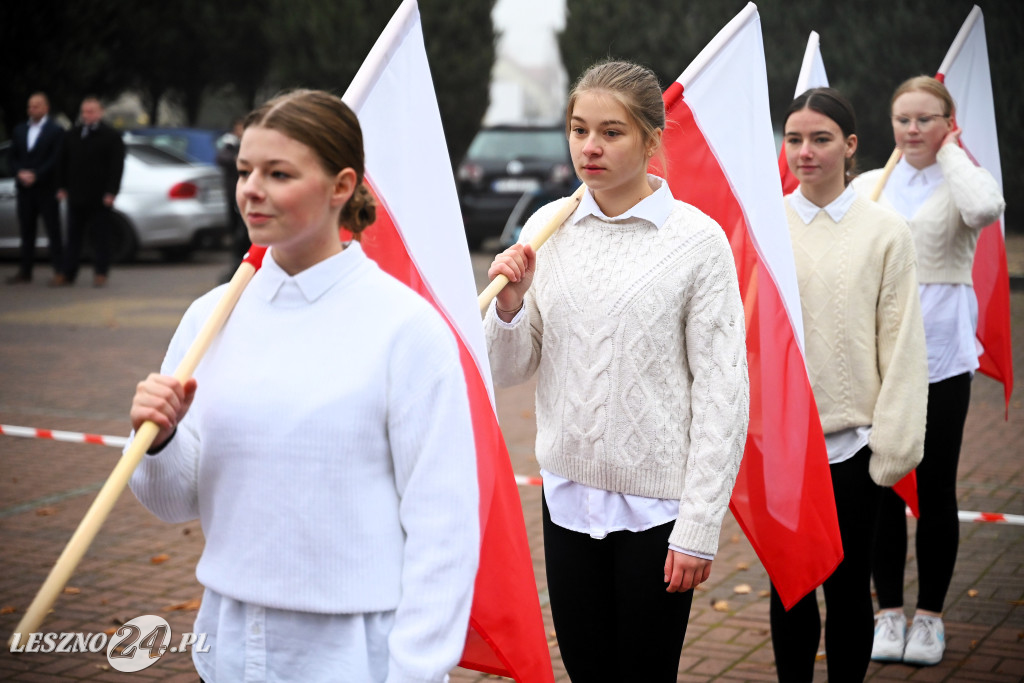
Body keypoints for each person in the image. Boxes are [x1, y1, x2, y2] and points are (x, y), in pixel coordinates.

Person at [127, 90, 479, 682]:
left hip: (357, 647)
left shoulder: (406, 328)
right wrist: (157, 441)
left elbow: (444, 525)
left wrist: (416, 670)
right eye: (244, 171)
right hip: (231, 639)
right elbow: (173, 500)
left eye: (278, 173)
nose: (251, 189)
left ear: (341, 186)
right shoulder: (210, 318)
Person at [484, 60, 749, 681]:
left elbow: (723, 391)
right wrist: (510, 303)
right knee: (586, 669)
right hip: (567, 495)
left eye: (611, 132)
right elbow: (512, 366)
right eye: (578, 130)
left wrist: (700, 524)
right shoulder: (548, 228)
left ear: (651, 139)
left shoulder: (698, 241)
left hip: (658, 509)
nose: (590, 147)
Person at [770, 87, 928, 683]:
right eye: (794, 139)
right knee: (789, 589)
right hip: (784, 446)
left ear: (851, 145)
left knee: (847, 587)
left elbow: (902, 344)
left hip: (853, 446)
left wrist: (892, 444)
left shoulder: (886, 232)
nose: (805, 151)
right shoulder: (765, 226)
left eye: (820, 138)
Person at [855, 76, 1006, 667]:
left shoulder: (962, 181)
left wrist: (950, 153)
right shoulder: (872, 184)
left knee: (936, 488)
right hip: (881, 357)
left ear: (949, 124)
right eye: (903, 120)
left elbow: (986, 208)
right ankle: (888, 614)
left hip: (943, 353)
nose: (913, 130)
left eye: (926, 119)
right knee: (884, 485)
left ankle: (931, 620)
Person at [55, 96, 125, 287]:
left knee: (101, 236)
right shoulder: (73, 134)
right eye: (84, 111)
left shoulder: (110, 136)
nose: (87, 115)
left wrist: (111, 192)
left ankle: (101, 272)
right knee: (73, 236)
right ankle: (68, 273)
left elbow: (116, 167)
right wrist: (61, 187)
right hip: (76, 195)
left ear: (100, 112)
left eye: (91, 111)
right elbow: (63, 162)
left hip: (100, 197)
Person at [7, 92, 64, 285]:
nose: (32, 109)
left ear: (46, 108)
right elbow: (12, 156)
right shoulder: (20, 129)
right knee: (26, 231)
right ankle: (25, 271)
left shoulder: (56, 130)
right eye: (30, 106)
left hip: (46, 189)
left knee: (53, 230)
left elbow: (56, 159)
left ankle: (59, 271)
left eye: (36, 106)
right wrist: (19, 172)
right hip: (25, 189)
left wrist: (37, 174)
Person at [215, 118, 250, 283]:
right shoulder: (230, 143)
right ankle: (237, 265)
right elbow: (222, 159)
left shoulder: (251, 143)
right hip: (232, 194)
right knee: (238, 231)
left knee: (245, 232)